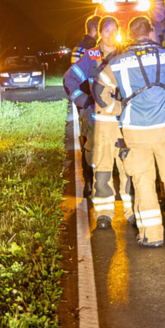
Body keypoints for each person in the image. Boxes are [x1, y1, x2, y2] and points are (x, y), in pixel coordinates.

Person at [94, 16, 165, 246]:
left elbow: (99, 89)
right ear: (151, 33)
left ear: (129, 36)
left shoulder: (118, 63)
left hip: (134, 131)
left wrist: (118, 108)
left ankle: (150, 236)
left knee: (143, 181)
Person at [64, 16, 134, 227]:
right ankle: (104, 213)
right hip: (99, 122)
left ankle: (132, 211)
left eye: (114, 30)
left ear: (119, 32)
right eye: (106, 30)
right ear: (100, 33)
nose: (110, 35)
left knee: (129, 166)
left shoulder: (127, 55)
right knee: (101, 167)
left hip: (124, 121)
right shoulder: (91, 56)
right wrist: (84, 101)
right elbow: (69, 79)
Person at [65, 14, 102, 197]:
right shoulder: (91, 50)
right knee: (91, 143)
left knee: (87, 142)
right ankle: (91, 180)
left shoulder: (77, 48)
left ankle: (89, 181)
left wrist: (82, 100)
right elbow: (80, 77)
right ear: (95, 30)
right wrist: (89, 99)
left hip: (84, 104)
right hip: (91, 104)